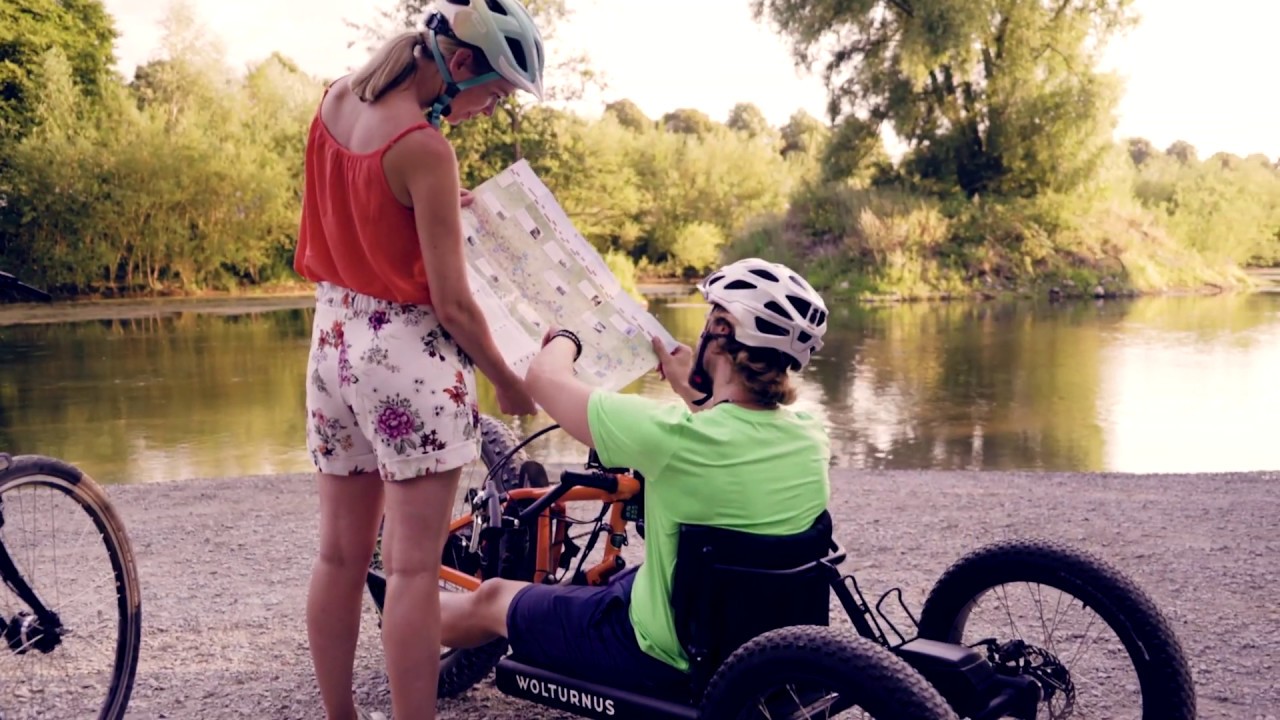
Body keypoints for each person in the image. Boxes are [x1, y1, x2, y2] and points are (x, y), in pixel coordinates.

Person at [291, 2, 546, 719]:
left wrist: (434, 204)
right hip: (407, 361)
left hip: (333, 344)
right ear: (460, 63)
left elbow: (363, 201)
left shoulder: (337, 96)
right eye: (493, 95)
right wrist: (506, 378)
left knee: (339, 558)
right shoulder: (426, 149)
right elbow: (455, 306)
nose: (490, 112)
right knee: (408, 571)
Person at [438, 258, 833, 691]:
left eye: (710, 317)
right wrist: (693, 391)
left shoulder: (671, 437)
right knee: (615, 582)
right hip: (749, 638)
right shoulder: (810, 434)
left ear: (722, 328)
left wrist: (569, 335)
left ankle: (404, 611)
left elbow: (542, 377)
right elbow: (729, 434)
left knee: (494, 598)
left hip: (659, 652)